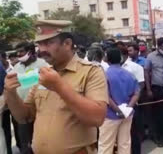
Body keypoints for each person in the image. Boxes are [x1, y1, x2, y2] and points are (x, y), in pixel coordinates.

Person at [4, 20, 108, 154]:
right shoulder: (42, 73)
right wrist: (10, 92)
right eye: (39, 44)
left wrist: (59, 86)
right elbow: (24, 116)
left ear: (67, 44)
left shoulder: (91, 71)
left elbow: (97, 118)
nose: (42, 50)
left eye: (48, 43)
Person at [98, 48, 140, 154]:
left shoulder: (105, 74)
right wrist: (129, 108)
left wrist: (117, 110)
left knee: (105, 144)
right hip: (127, 114)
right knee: (125, 143)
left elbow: (106, 96)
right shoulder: (129, 74)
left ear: (107, 59)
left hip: (110, 115)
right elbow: (136, 93)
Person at [11, 42, 49, 154]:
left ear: (30, 51)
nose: (18, 54)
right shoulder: (16, 67)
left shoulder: (43, 65)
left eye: (21, 51)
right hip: (22, 112)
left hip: (39, 111)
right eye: (17, 52)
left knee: (41, 143)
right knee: (25, 145)